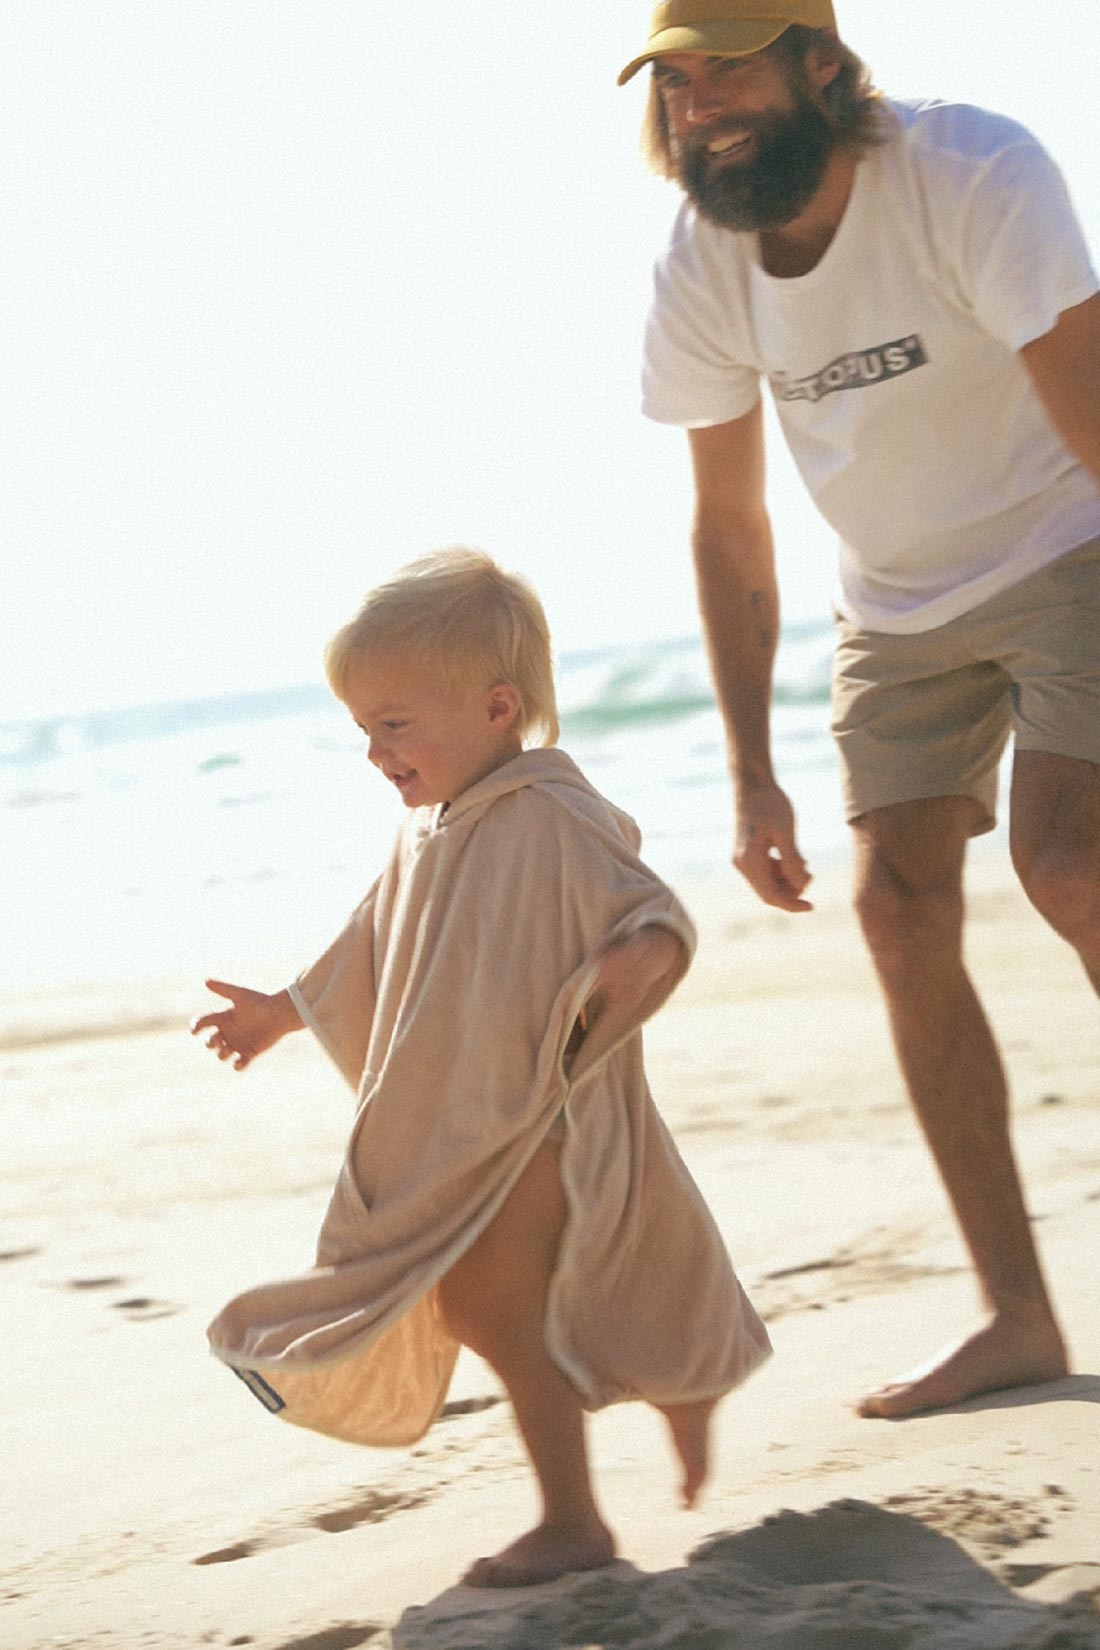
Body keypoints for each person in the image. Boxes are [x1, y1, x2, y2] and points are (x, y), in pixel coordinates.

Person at [619, 0, 1100, 1418]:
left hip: (1067, 542)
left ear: (820, 62)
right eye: (677, 84)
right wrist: (749, 773)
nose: (700, 107)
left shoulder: (971, 172)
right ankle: (1015, 1316)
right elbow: (729, 526)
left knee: (1072, 865)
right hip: (894, 605)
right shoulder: (702, 261)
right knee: (894, 909)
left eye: (729, 72)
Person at [192, 547, 770, 1589]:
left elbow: (642, 899)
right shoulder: (429, 831)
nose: (374, 752)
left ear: (497, 708)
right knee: (518, 1297)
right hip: (473, 1120)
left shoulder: (551, 809)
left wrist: (645, 951)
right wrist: (286, 1009)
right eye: (362, 729)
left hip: (535, 1114)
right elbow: (373, 941)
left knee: (493, 1303)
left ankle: (575, 1519)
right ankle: (683, 1393)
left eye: (394, 724)